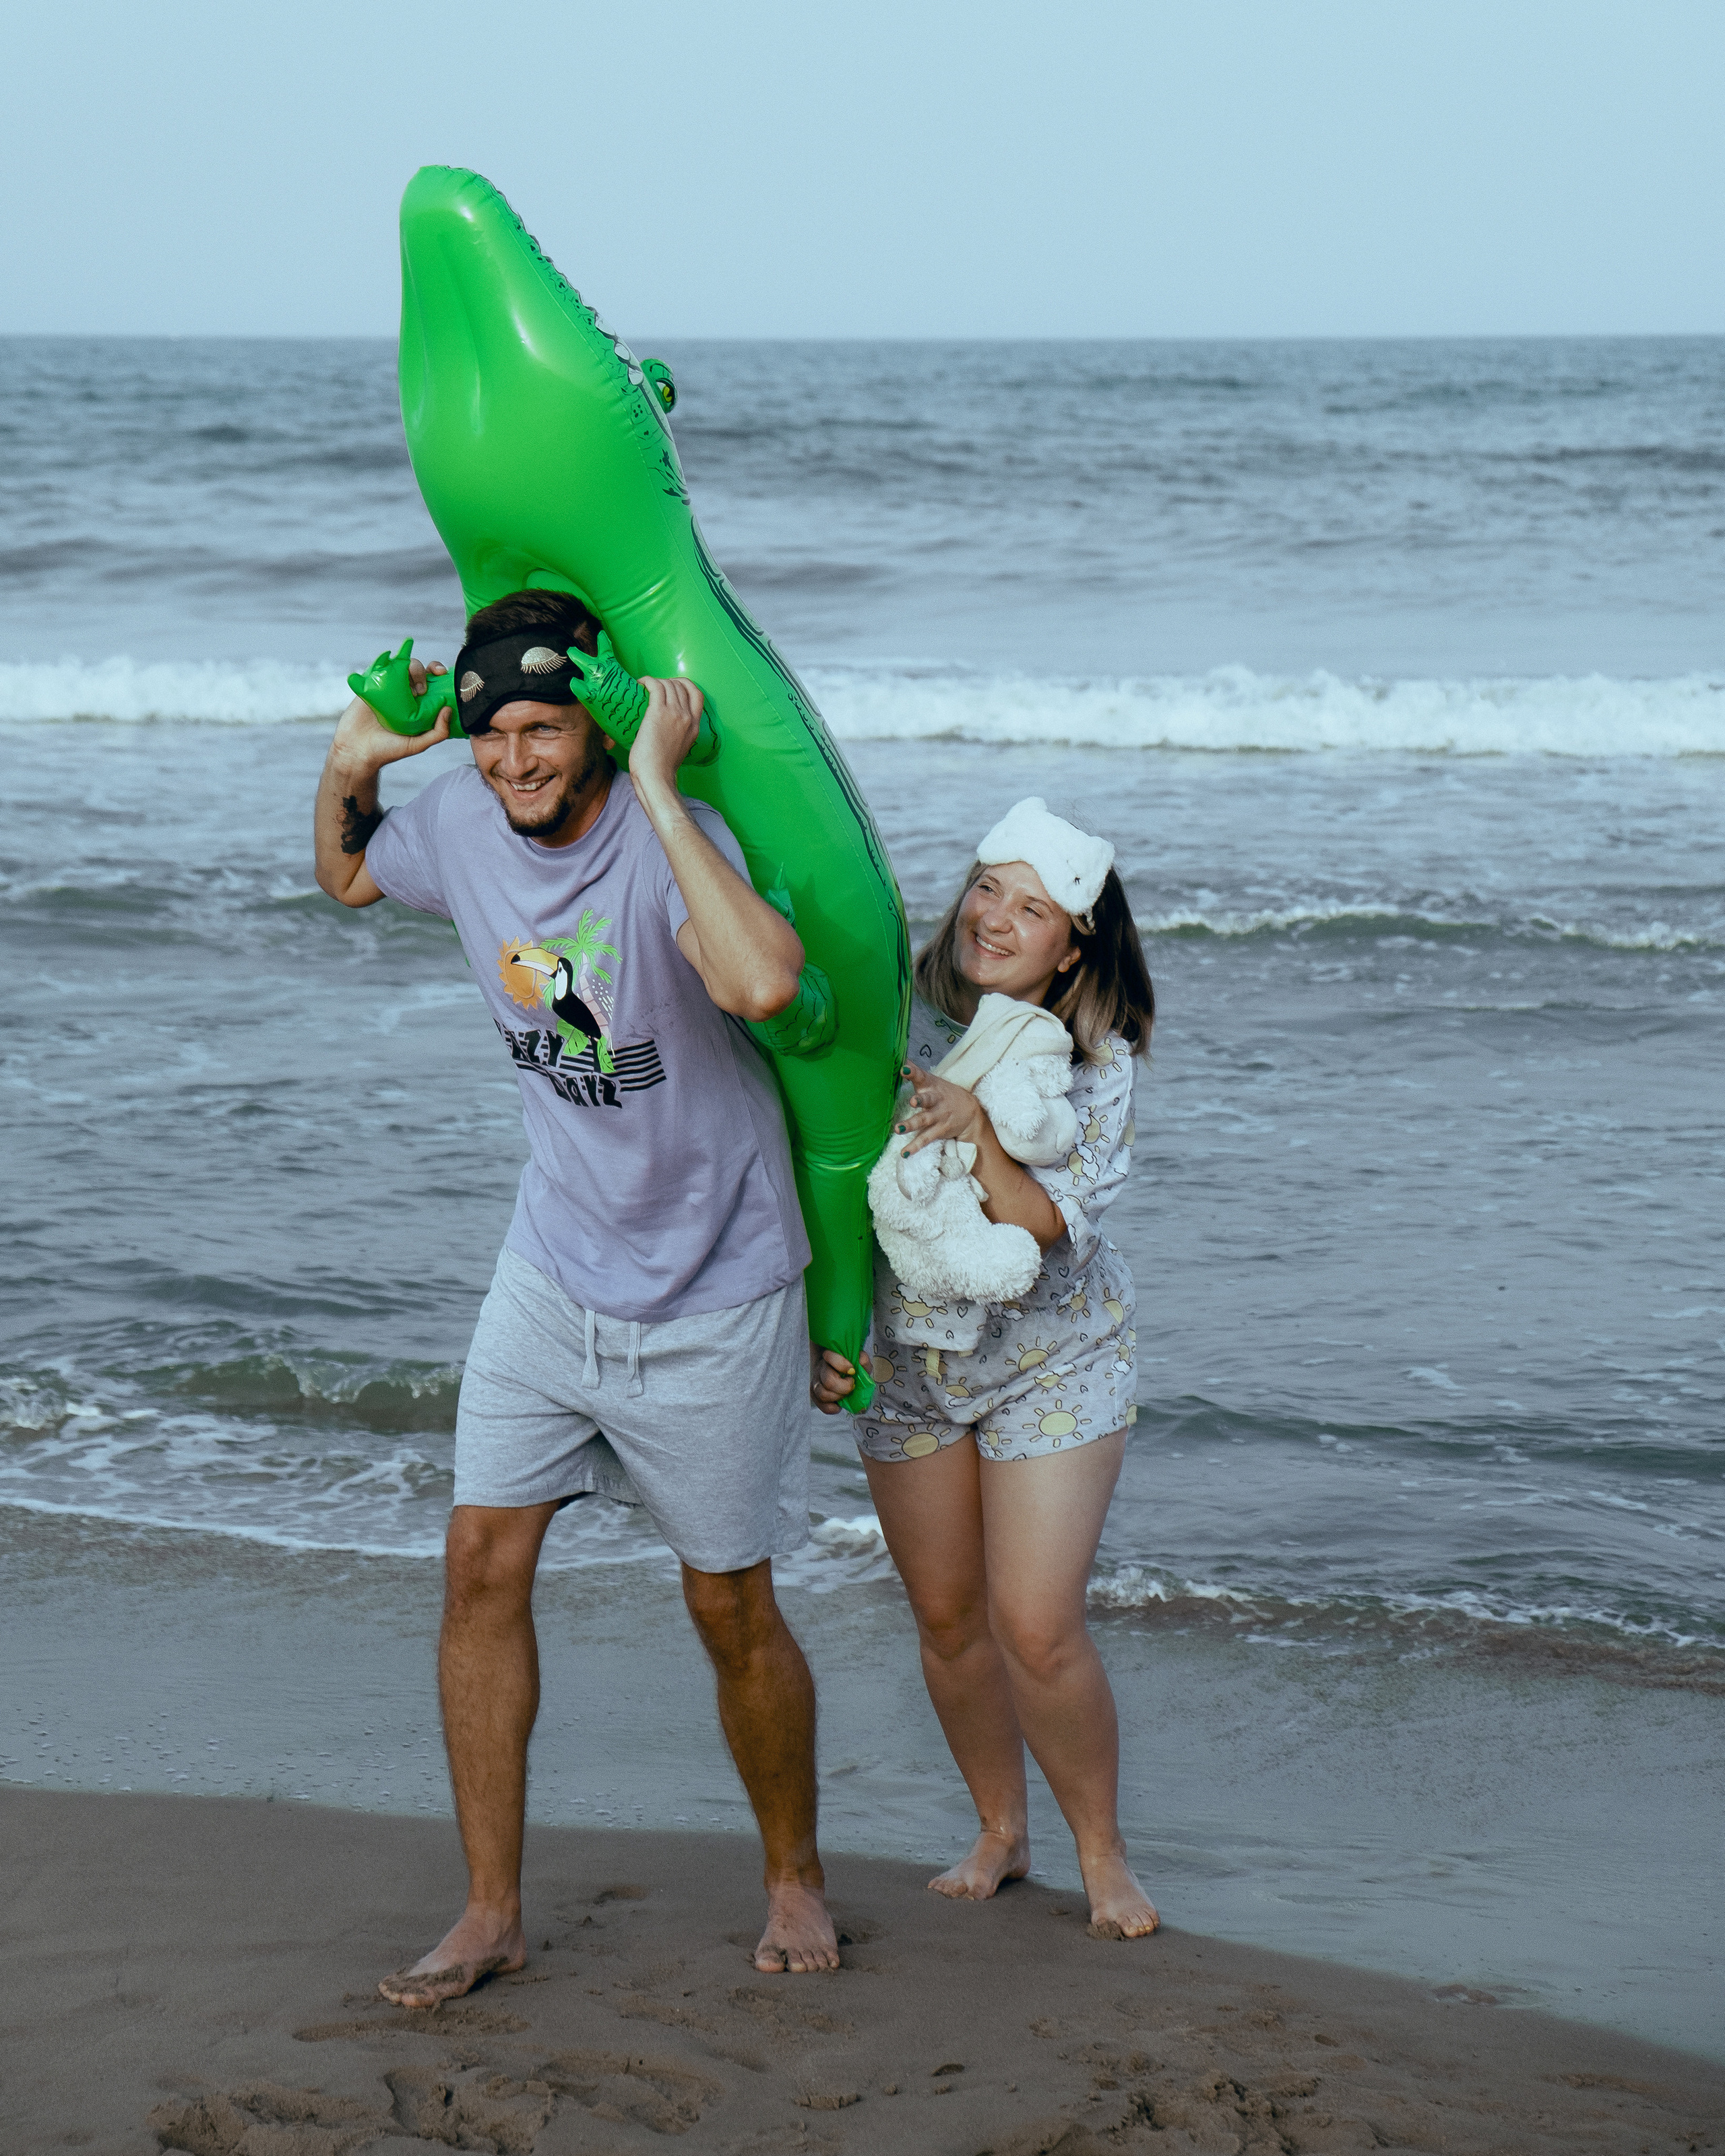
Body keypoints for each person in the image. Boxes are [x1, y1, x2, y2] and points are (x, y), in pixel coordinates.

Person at [313, 588, 840, 1998]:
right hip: (549, 1267)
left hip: (716, 1280)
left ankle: (793, 1875)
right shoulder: (463, 821)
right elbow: (350, 877)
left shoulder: (673, 843)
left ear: (596, 722)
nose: (513, 761)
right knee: (479, 1563)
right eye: (491, 736)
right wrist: (356, 760)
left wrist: (661, 787)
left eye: (544, 729)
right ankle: (491, 1910)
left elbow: (765, 982)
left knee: (728, 1605)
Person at [812, 797, 1160, 1938]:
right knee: (950, 1617)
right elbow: (821, 1173)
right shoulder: (893, 1014)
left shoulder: (1096, 1065)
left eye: (1032, 906)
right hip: (906, 1359)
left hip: (1051, 1359)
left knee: (1037, 1623)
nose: (995, 918)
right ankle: (1001, 1833)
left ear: (1074, 946)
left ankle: (1102, 1858)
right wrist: (821, 1328)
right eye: (986, 888)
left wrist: (975, 1126)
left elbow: (1051, 1227)